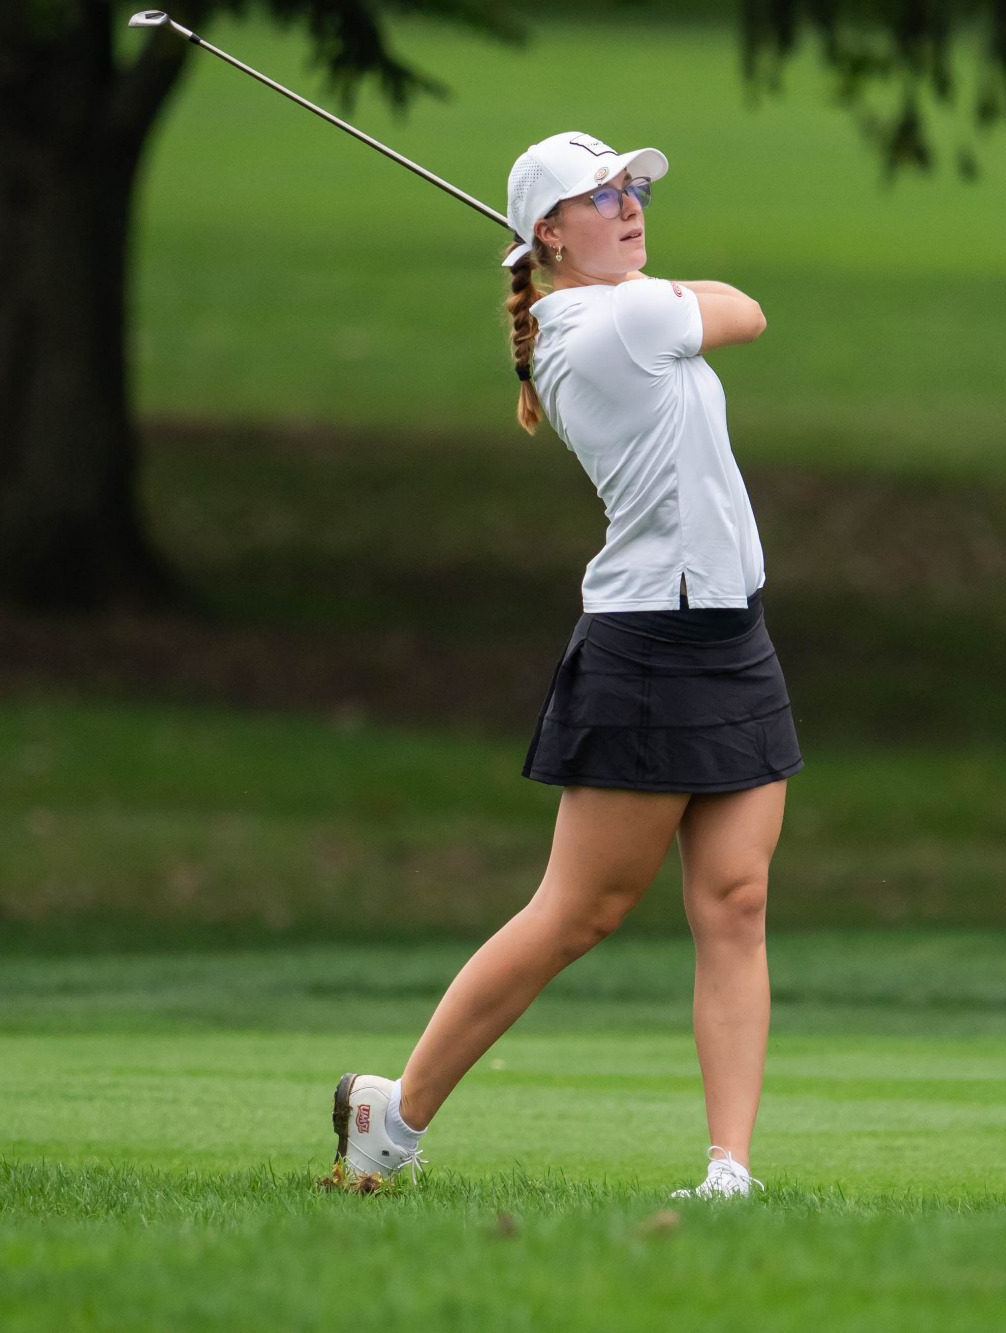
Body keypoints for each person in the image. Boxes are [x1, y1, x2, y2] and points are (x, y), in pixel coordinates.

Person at [332, 132, 800, 1200]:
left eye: (632, 187)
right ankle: (391, 1117)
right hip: (647, 646)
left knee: (734, 900)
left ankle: (730, 1170)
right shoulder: (607, 321)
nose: (630, 204)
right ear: (548, 230)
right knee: (574, 914)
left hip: (732, 634)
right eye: (602, 195)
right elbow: (745, 309)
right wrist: (648, 282)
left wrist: (625, 268)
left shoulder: (598, 308)